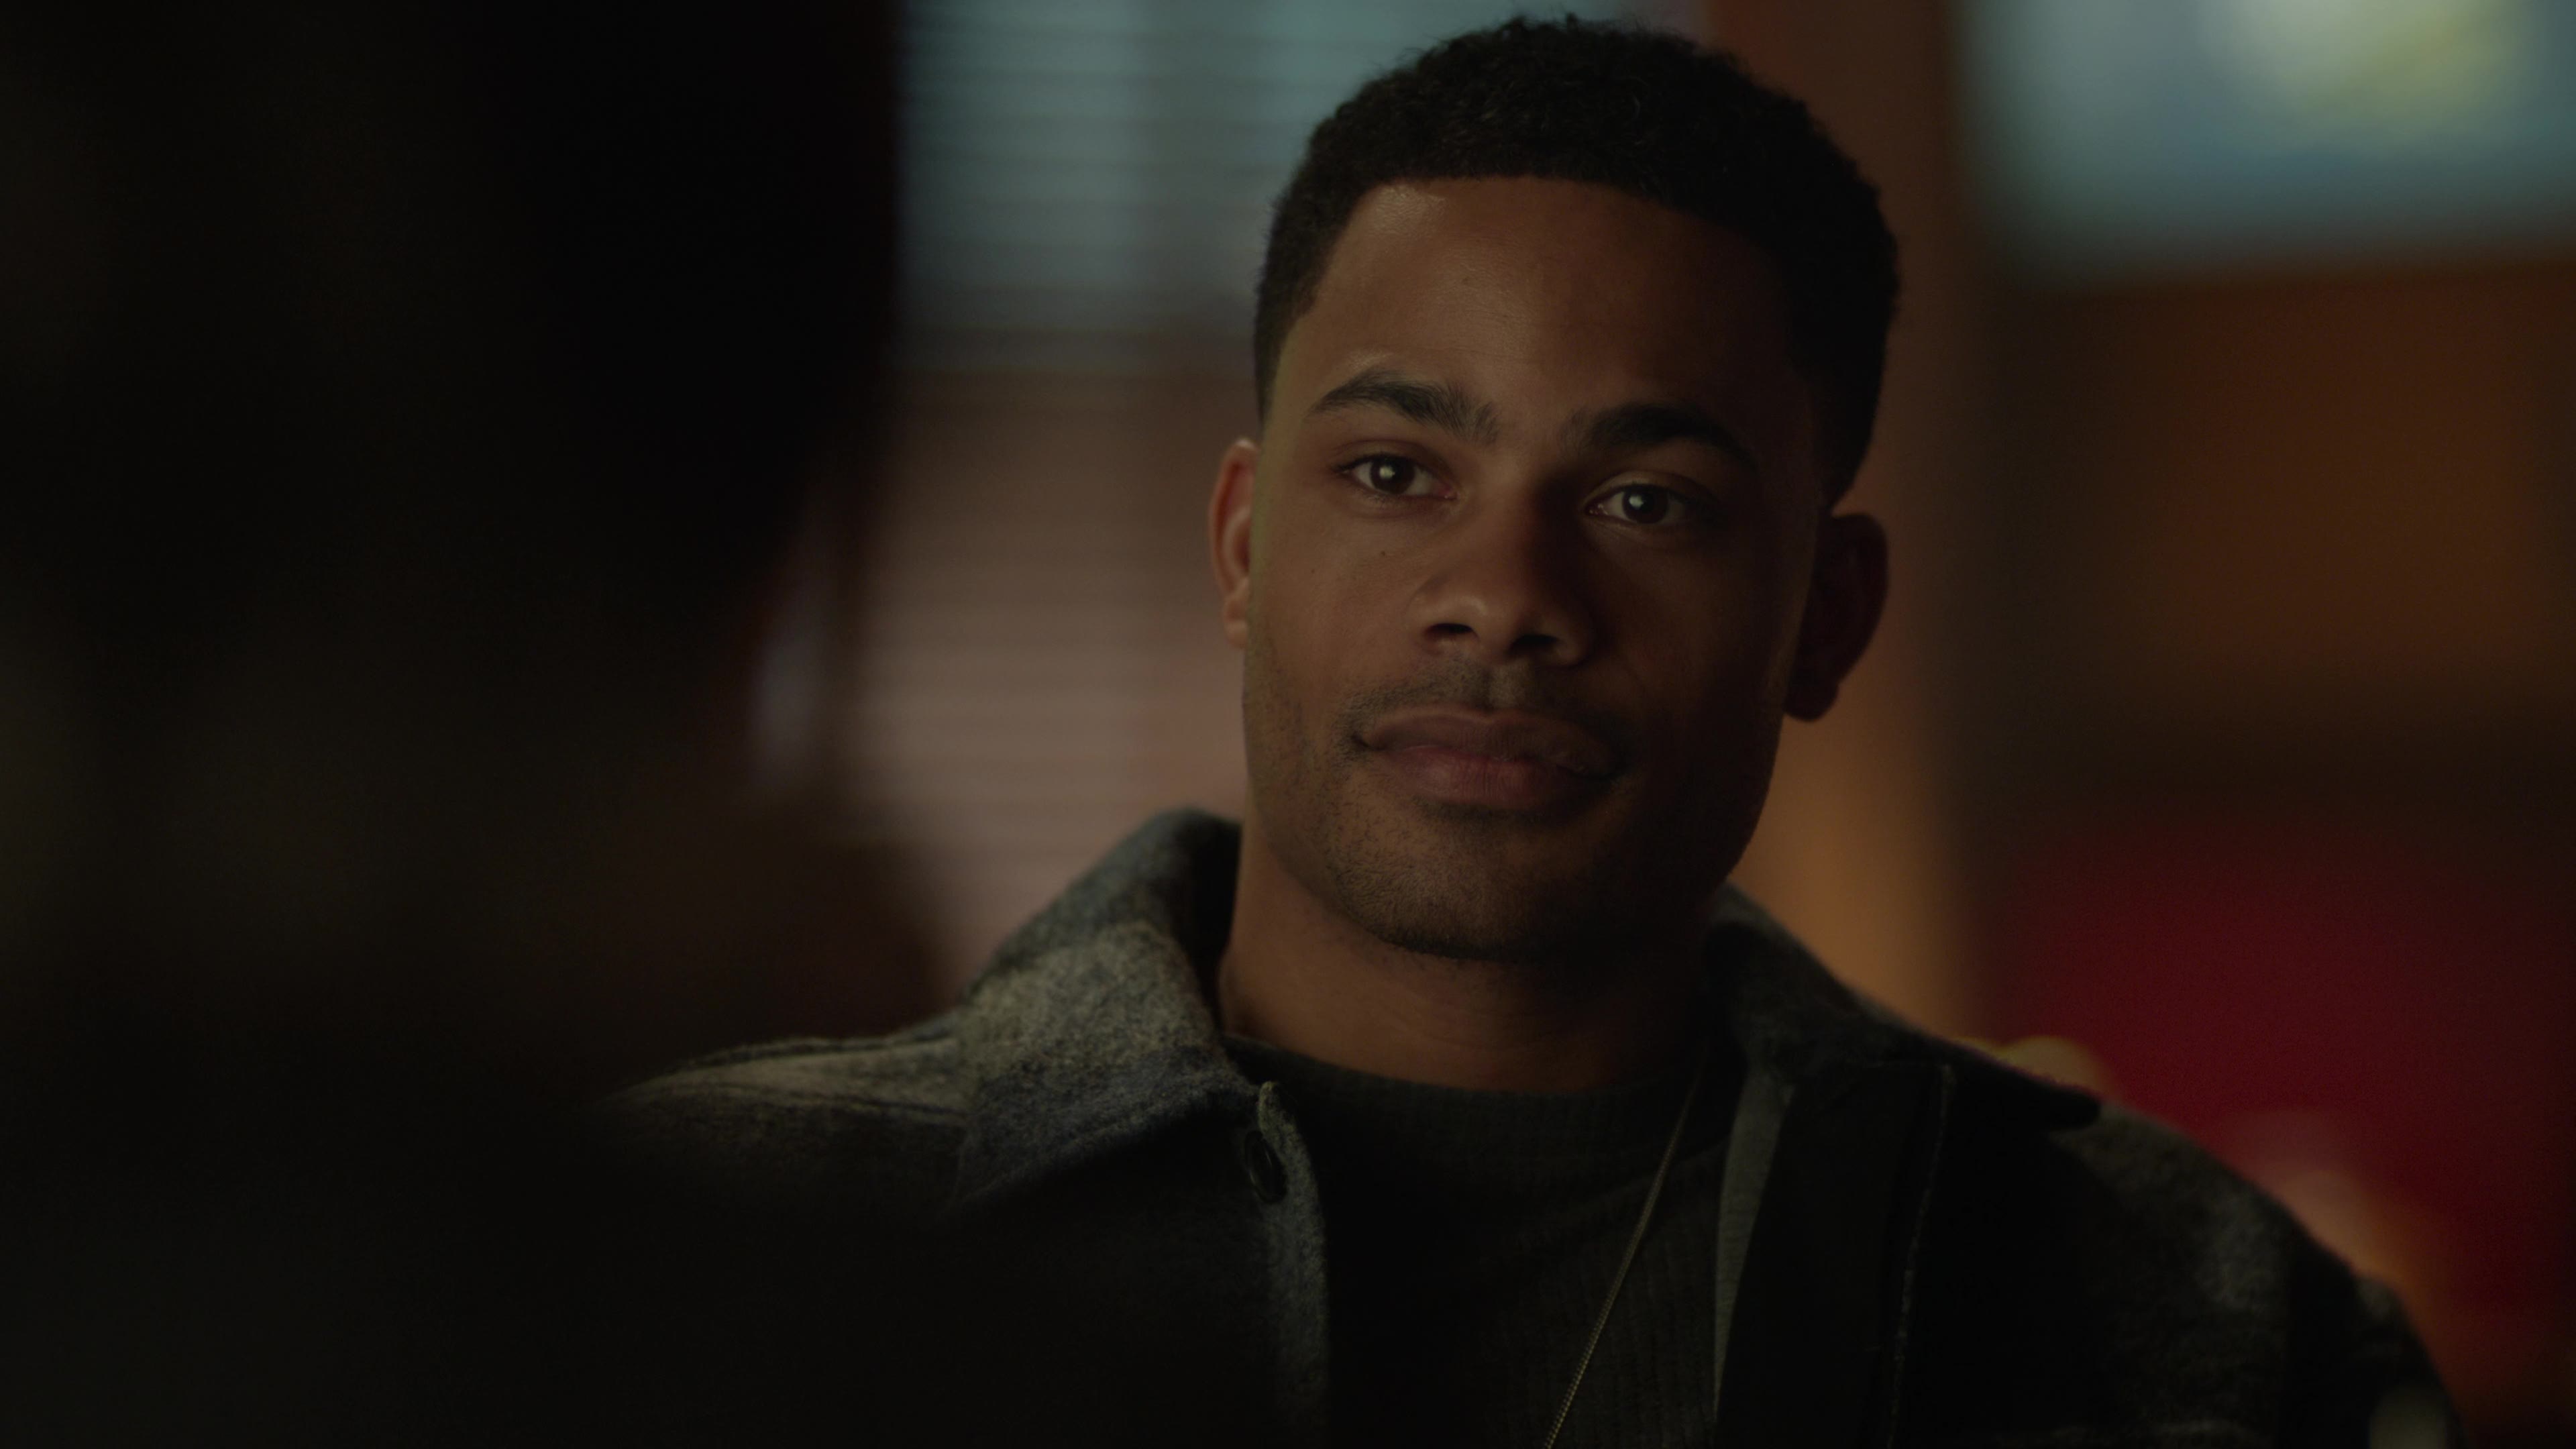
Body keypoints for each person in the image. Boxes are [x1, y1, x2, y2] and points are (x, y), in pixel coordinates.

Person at [612, 18, 2456, 1447]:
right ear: (1246, 547)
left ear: (1828, 617)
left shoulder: (2192, 1320)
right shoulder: (690, 1246)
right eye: (1396, 472)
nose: (1505, 596)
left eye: (1649, 503)